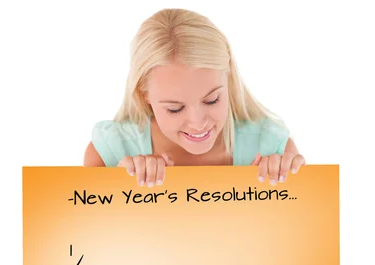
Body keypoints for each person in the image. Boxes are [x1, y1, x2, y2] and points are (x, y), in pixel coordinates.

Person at [83, 8, 306, 187]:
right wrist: (115, 190)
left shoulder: (272, 146)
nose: (198, 123)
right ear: (144, 95)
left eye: (212, 100)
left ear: (228, 78)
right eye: (174, 108)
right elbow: (84, 237)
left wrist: (292, 182)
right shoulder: (108, 153)